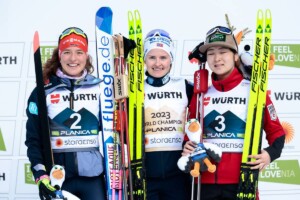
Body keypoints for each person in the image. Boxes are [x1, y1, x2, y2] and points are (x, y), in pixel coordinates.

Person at [182, 26, 285, 200]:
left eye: (223, 52)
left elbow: (277, 133)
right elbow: (190, 132)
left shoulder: (254, 91)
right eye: (211, 53)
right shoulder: (200, 94)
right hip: (205, 183)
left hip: (242, 181)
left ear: (235, 56)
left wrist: (269, 155)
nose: (217, 58)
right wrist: (187, 146)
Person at [25, 27, 106, 200]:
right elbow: (34, 138)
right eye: (67, 52)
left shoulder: (100, 88)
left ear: (86, 56)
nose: (73, 58)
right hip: (57, 177)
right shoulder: (43, 91)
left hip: (93, 177)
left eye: (79, 52)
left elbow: (116, 128)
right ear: (59, 55)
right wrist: (40, 173)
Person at [143, 29, 193, 200]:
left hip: (178, 175)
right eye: (152, 57)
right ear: (145, 60)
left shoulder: (185, 86)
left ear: (171, 60)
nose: (158, 63)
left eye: (163, 57)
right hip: (145, 176)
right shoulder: (135, 89)